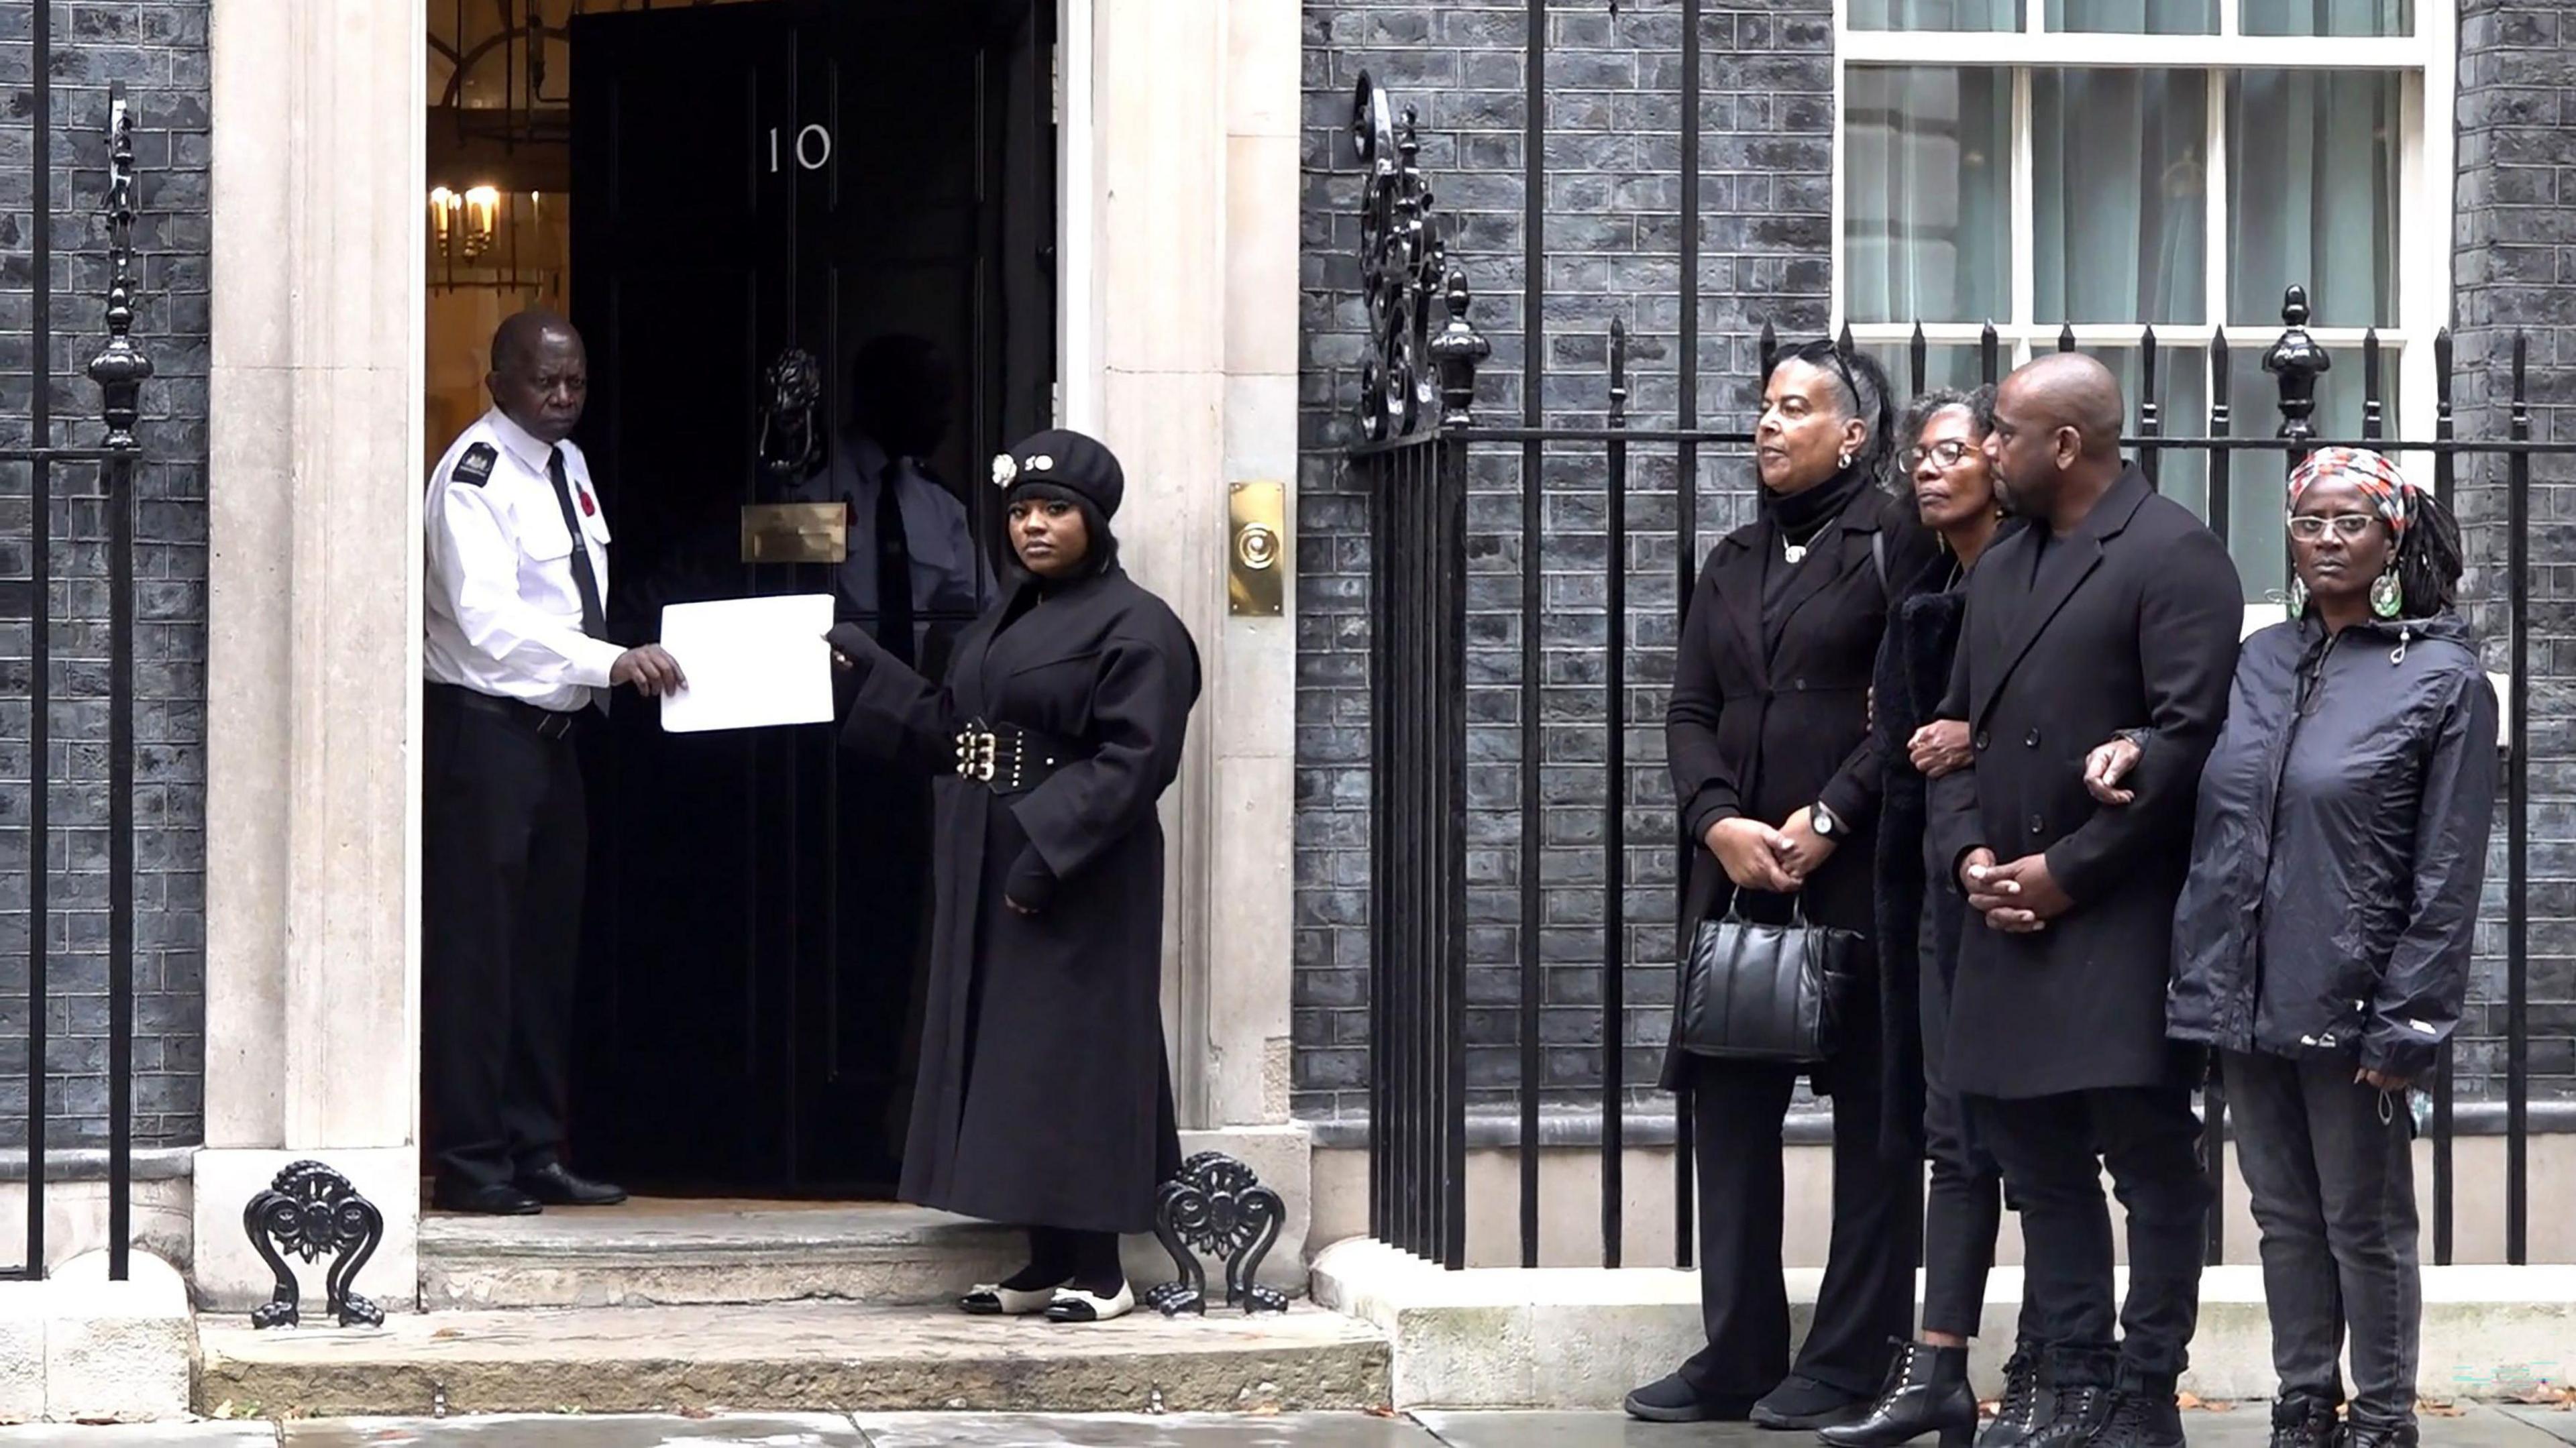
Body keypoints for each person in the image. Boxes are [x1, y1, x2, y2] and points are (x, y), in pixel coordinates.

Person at [2102, 447, 2496, 1448]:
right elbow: (2209, 765)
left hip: (2357, 997)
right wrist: (2139, 747)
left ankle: (2382, 1411)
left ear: (2391, 537)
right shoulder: (2261, 659)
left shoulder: (2443, 677)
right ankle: (2303, 1398)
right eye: (2311, 521)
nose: (2327, 538)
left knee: (2363, 1219)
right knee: (2280, 1211)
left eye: (2350, 522)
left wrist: (2409, 1017)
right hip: (2243, 986)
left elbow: (2447, 874)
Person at [1925, 353, 2242, 1448]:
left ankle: (2145, 1388)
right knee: (2034, 1158)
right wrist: (1971, 859)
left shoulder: (2174, 553)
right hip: (2000, 911)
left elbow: (2190, 743)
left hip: (2115, 915)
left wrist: (2065, 873)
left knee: (2149, 1160)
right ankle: (2069, 1380)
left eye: (2003, 432)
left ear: (2064, 444)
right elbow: (1955, 735)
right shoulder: (2002, 561)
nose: (1986, 449)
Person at [1628, 341, 1940, 1427]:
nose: (1766, 423)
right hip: (1738, 869)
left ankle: (1852, 1356)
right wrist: (1716, 820)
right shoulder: (1731, 557)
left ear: (1852, 433)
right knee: (1733, 1104)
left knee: (1872, 1112)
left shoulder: (1900, 544)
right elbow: (1688, 709)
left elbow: (1913, 703)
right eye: (1763, 406)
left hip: (1855, 865)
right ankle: (1739, 1350)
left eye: (1793, 406)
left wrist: (1829, 814)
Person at [824, 428, 1199, 1325]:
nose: (1034, 525)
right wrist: (864, 668)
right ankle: (1045, 1258)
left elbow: (1134, 760)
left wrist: (1046, 854)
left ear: (1095, 520)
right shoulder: (1004, 616)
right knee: (1015, 1058)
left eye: (1055, 510)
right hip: (988, 856)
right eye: (1023, 510)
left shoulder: (1138, 623)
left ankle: (1102, 1268)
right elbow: (957, 726)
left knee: (1078, 1054)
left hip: (1078, 871)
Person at [422, 310, 685, 1215]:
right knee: (477, 955)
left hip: (555, 740)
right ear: (497, 380)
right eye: (544, 382)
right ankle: (470, 1158)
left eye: (574, 382)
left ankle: (534, 1147)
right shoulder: (474, 475)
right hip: (485, 737)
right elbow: (490, 625)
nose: (563, 398)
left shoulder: (566, 464)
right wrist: (607, 661)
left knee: (542, 953)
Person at [1825, 387, 2045, 1448]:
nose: (1929, 467)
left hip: (2027, 884)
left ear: (2001, 461)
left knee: (2043, 1135)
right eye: (1920, 453)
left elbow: (2069, 719)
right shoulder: (1924, 580)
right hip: (1931, 882)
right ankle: (1939, 1365)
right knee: (1952, 1134)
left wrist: (1974, 736)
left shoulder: (2034, 574)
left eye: (1952, 450)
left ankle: (2058, 1355)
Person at [787, 333, 983, 669]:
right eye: (931, 399)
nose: (945, 416)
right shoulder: (813, 490)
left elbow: (977, 617)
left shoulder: (939, 502)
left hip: (910, 705)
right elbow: (785, 605)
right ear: (882, 399)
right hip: (822, 700)